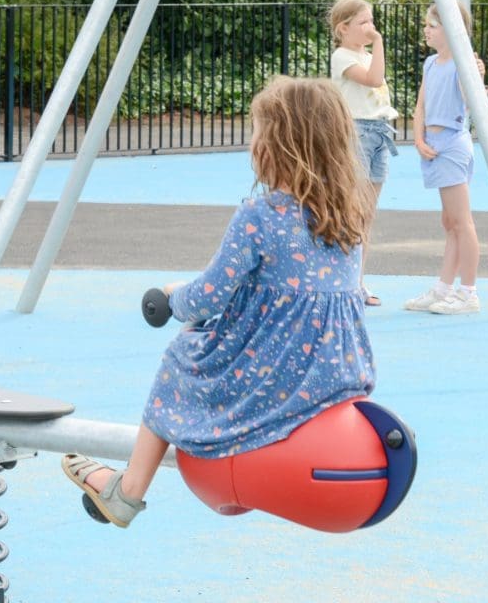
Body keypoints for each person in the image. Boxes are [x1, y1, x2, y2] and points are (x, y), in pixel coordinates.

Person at [61, 76, 375, 528]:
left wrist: (173, 298)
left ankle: (129, 490)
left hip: (278, 374)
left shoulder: (261, 216)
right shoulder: (351, 214)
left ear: (276, 146)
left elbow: (209, 296)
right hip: (338, 376)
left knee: (182, 357)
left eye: (257, 133)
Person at [404, 1, 485, 315]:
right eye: (426, 24)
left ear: (451, 30)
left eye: (432, 25)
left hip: (451, 145)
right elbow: (421, 106)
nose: (426, 30)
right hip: (434, 145)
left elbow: (468, 97)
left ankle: (468, 293)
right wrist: (419, 138)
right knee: (449, 221)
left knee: (462, 222)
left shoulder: (462, 64)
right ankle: (443, 288)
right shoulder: (430, 63)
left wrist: (475, 74)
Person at [328, 0, 398, 306]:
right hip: (357, 133)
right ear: (343, 28)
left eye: (371, 21)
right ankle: (342, 279)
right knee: (353, 212)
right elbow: (373, 80)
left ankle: (357, 281)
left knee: (367, 214)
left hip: (379, 133)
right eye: (363, 22)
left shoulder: (368, 56)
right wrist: (379, 41)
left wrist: (374, 48)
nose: (370, 27)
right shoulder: (342, 57)